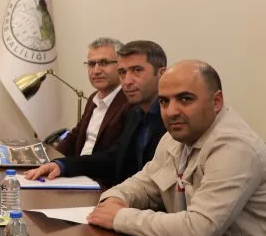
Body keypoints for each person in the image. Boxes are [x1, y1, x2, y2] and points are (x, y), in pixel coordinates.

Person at [88, 60, 266, 236]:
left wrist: (119, 217)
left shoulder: (235, 147)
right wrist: (115, 199)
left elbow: (197, 230)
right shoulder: (174, 139)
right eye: (164, 101)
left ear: (217, 101)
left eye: (185, 99)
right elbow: (145, 183)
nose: (171, 111)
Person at [25, 40, 167, 186]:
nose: (127, 81)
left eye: (137, 70)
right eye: (122, 72)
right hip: (116, 191)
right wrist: (61, 165)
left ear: (161, 74)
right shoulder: (137, 113)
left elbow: (153, 182)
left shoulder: (170, 119)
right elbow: (113, 158)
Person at [54, 37, 131, 156]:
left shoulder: (129, 102)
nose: (96, 71)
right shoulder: (93, 98)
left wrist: (67, 165)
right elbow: (76, 136)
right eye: (91, 64)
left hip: (97, 167)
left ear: (121, 66)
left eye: (104, 63)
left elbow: (115, 155)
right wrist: (49, 159)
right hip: (78, 165)